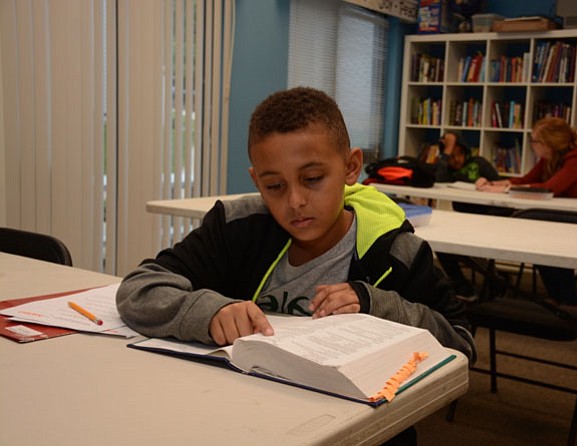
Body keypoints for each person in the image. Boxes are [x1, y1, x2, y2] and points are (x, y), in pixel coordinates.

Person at [116, 87, 476, 375]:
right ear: (257, 181)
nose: (296, 201)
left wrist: (376, 305)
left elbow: (460, 342)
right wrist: (208, 313)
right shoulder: (236, 227)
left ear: (351, 168)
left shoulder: (394, 253)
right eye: (274, 186)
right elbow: (139, 289)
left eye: (313, 179)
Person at [475, 117, 577, 309]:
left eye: (534, 141)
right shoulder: (550, 159)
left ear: (548, 143)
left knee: (549, 239)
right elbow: (526, 180)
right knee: (542, 236)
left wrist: (504, 190)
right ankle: (561, 297)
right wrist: (491, 183)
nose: (532, 145)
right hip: (573, 216)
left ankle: (568, 300)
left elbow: (549, 189)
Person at [434, 132, 509, 302]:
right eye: (452, 156)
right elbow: (438, 180)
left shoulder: (479, 163)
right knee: (444, 245)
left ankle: (496, 280)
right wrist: (447, 151)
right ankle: (463, 286)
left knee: (464, 246)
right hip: (464, 220)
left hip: (488, 217)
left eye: (460, 154)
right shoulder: (447, 169)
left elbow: (500, 188)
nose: (457, 160)